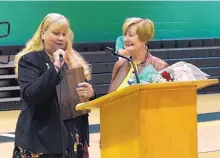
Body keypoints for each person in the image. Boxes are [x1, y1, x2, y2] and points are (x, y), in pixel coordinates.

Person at [13, 13, 95, 158]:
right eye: (56, 33)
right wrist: (55, 68)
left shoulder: (72, 60)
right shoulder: (30, 60)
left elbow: (82, 98)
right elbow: (31, 95)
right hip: (40, 141)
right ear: (43, 34)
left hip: (71, 140)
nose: (61, 38)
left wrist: (90, 93)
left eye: (64, 34)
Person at [108, 17, 169, 93]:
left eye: (131, 35)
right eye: (125, 35)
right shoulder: (119, 65)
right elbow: (110, 97)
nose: (125, 39)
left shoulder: (160, 66)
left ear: (144, 38)